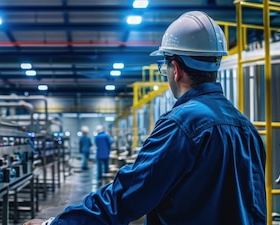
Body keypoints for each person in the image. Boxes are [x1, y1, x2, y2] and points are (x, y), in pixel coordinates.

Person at [24, 11, 266, 225]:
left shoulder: (181, 124)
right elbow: (255, 209)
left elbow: (127, 197)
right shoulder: (247, 129)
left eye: (165, 68)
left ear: (176, 69)